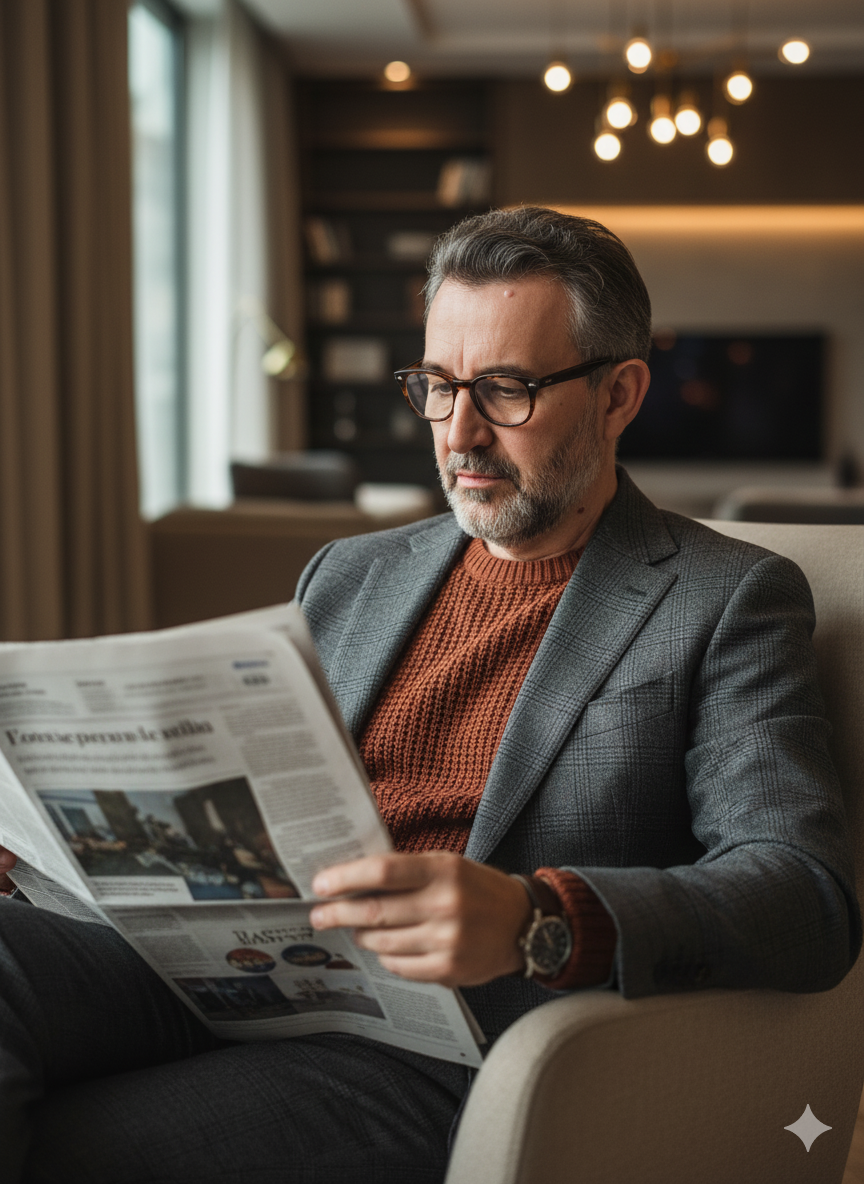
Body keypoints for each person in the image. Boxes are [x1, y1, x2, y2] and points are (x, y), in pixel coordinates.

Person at [0, 206, 859, 1184]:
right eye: (439, 386)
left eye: (507, 389)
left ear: (620, 393)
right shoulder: (351, 573)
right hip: (243, 960)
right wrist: (49, 847)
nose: (460, 433)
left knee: (79, 1145)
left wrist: (537, 916)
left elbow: (806, 894)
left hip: (437, 1034)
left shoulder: (724, 597)